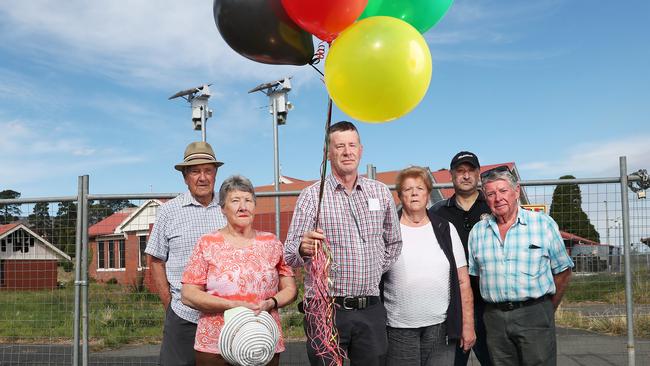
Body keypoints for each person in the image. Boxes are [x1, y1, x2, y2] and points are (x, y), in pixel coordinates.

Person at [284, 121, 402, 365]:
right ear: (328, 153)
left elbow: (394, 242)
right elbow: (289, 254)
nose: (347, 152)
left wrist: (370, 270)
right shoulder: (312, 197)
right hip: (326, 309)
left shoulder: (379, 193)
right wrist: (303, 248)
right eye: (339, 146)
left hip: (370, 307)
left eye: (352, 145)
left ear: (361, 149)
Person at [181, 175, 297, 366]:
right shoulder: (208, 243)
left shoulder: (272, 242)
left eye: (248, 200)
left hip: (262, 340)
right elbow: (188, 294)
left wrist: (271, 302)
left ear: (254, 207)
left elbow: (290, 289)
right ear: (223, 209)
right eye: (235, 201)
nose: (243, 206)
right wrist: (233, 305)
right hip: (216, 343)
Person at [468, 166, 574, 366]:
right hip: (494, 318)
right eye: (490, 193)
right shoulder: (477, 232)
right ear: (485, 198)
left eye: (503, 190)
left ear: (516, 191)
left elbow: (563, 271)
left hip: (534, 313)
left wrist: (546, 309)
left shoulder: (543, 224)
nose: (498, 198)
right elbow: (476, 276)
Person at [145, 141, 227, 366]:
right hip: (184, 315)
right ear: (185, 177)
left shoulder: (228, 207)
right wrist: (169, 303)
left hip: (225, 316)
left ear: (215, 173)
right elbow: (155, 260)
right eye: (195, 171)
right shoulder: (169, 212)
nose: (202, 177)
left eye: (208, 170)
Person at [383, 166, 475, 366]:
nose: (414, 193)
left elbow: (463, 281)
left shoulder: (445, 229)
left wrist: (467, 325)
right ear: (400, 195)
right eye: (408, 189)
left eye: (420, 188)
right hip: (398, 328)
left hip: (440, 327)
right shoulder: (388, 231)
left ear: (428, 194)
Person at [429, 151, 493, 366]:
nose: (466, 176)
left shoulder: (493, 208)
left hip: (489, 303)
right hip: (453, 303)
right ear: (451, 175)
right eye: (460, 171)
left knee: (493, 359)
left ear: (478, 174)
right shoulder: (437, 213)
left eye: (470, 171)